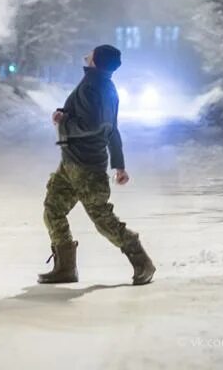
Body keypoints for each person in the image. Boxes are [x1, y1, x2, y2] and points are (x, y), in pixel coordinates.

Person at [38, 44, 156, 285]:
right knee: (53, 208)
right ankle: (65, 268)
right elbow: (111, 128)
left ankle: (142, 261)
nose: (88, 53)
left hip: (86, 167)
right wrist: (119, 165)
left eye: (92, 52)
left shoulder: (95, 86)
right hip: (70, 163)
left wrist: (63, 122)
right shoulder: (101, 84)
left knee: (103, 219)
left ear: (96, 60)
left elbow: (94, 125)